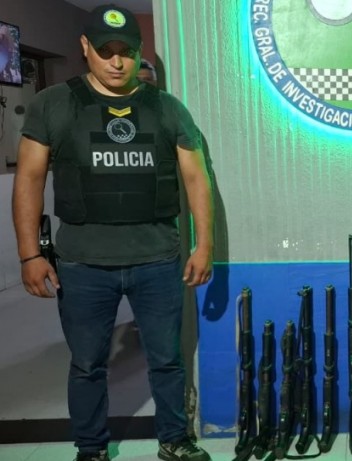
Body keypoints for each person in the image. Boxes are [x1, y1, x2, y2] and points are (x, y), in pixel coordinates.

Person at [11, 4, 213, 461]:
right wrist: (30, 254)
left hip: (157, 260)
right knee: (87, 365)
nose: (118, 62)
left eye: (127, 51)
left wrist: (205, 245)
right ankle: (91, 448)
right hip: (83, 264)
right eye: (106, 51)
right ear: (86, 48)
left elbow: (196, 179)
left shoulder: (166, 107)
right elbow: (29, 180)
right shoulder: (54, 103)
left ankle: (174, 440)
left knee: (167, 360)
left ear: (139, 52)